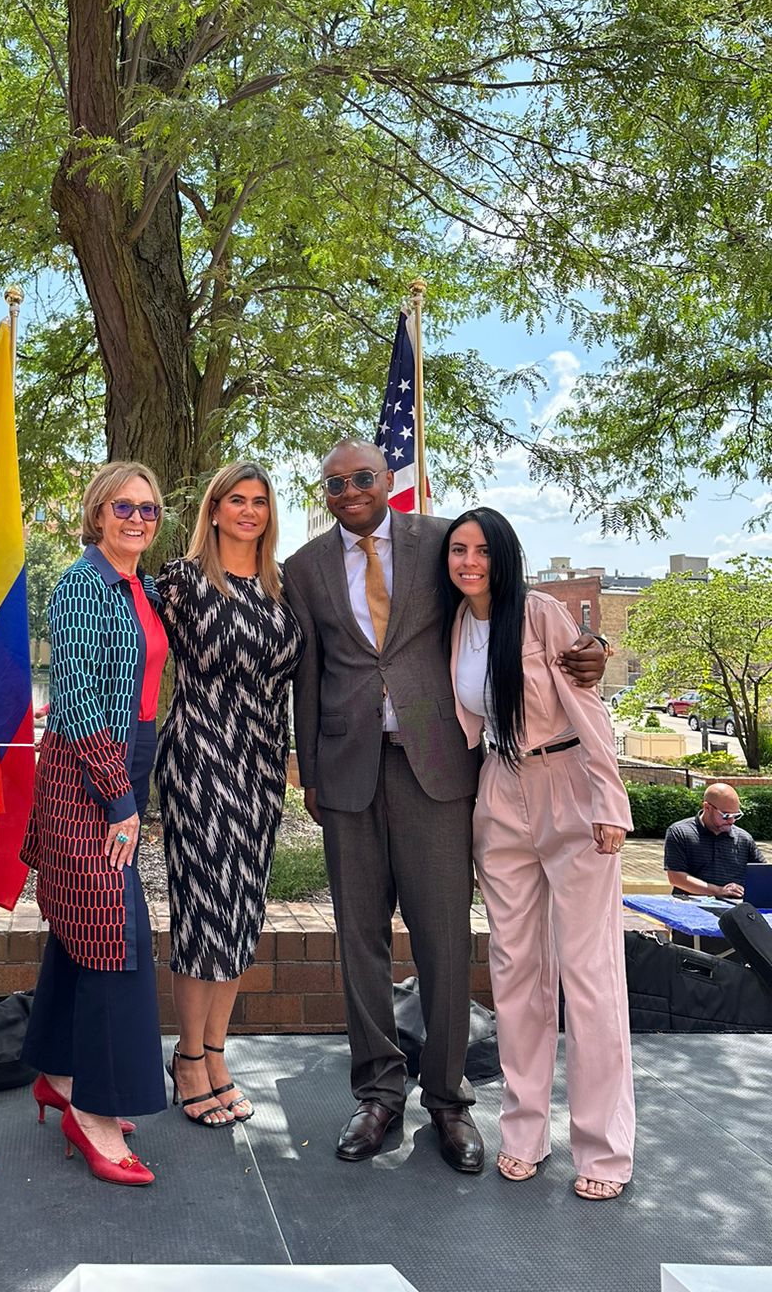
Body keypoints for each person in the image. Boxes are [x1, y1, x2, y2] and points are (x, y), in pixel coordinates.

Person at [283, 440, 604, 1174]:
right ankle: (377, 1094)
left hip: (437, 767)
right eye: (335, 483)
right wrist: (307, 767)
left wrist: (592, 642)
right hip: (347, 770)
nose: (351, 491)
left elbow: (506, 600)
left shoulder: (439, 542)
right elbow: (310, 673)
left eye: (363, 477)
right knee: (359, 938)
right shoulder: (303, 569)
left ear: (387, 480)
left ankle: (448, 1099)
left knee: (444, 942)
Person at [442, 506, 635, 1201]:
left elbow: (589, 706)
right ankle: (523, 1130)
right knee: (516, 969)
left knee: (588, 976)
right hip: (499, 791)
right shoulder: (457, 625)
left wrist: (612, 802)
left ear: (505, 556)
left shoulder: (544, 613)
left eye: (482, 551)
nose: (469, 562)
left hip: (569, 787)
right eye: (459, 550)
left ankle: (604, 1150)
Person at [21, 461, 168, 1186]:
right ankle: (97, 1115)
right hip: (89, 771)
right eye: (123, 508)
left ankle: (58, 1073)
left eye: (148, 510)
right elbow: (76, 706)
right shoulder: (80, 586)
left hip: (127, 754)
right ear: (97, 513)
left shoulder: (138, 584)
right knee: (117, 932)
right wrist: (120, 799)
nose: (137, 520)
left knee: (84, 923)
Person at [155, 461, 302, 1126]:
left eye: (260, 502)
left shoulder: (281, 587)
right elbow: (133, 651)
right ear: (212, 510)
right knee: (204, 916)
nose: (248, 511)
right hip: (200, 762)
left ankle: (217, 1051)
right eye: (235, 500)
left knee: (242, 915)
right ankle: (188, 1058)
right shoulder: (181, 583)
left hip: (262, 768)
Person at [665, 783, 765, 899]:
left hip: (734, 910)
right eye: (726, 815)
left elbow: (763, 874)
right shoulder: (680, 832)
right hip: (690, 907)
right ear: (707, 807)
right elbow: (677, 878)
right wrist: (719, 891)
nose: (732, 821)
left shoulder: (744, 838)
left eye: (736, 815)